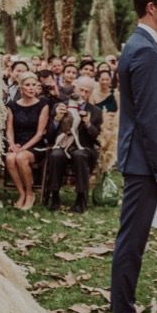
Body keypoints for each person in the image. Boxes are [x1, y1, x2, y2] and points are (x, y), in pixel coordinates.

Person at [110, 0, 157, 313]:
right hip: (142, 163)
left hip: (139, 160)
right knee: (131, 242)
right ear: (151, 8)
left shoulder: (140, 45)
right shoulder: (145, 52)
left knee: (132, 240)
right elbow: (150, 119)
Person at [46, 75, 102, 213]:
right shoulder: (60, 106)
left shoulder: (95, 111)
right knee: (56, 155)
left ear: (90, 93)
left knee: (79, 155)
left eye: (86, 91)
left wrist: (88, 124)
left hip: (84, 147)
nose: (83, 94)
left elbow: (97, 138)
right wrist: (57, 120)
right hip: (63, 144)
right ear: (74, 89)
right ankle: (54, 196)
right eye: (80, 90)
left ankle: (80, 198)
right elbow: (49, 135)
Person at [4, 72, 49, 210]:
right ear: (20, 88)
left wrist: (23, 148)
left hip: (36, 144)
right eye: (27, 85)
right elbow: (9, 128)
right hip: (17, 143)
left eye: (34, 85)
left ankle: (30, 193)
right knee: (10, 158)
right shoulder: (12, 105)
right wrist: (12, 144)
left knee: (21, 157)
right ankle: (21, 193)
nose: (31, 88)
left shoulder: (43, 104)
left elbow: (40, 134)